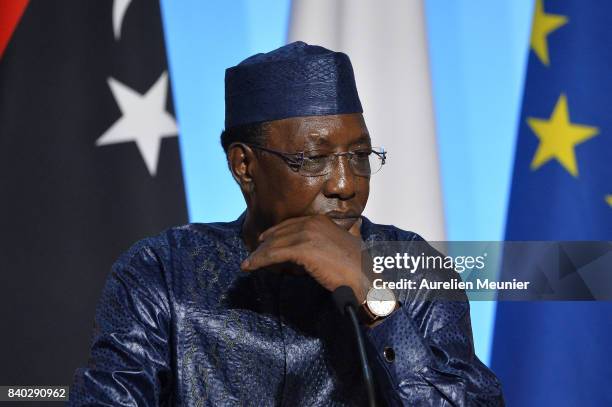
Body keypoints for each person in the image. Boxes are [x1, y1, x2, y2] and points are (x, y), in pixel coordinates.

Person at [69, 41, 504, 406]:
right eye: (313, 159)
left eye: (359, 156)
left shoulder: (413, 269)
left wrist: (373, 298)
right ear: (244, 165)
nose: (345, 183)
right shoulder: (162, 273)